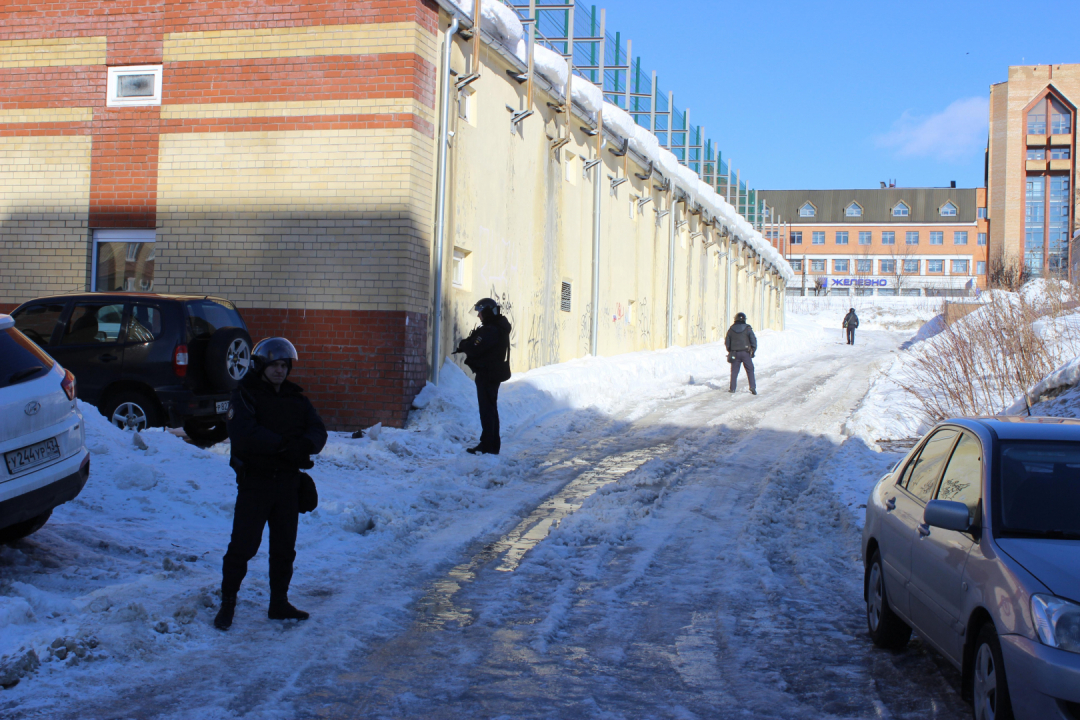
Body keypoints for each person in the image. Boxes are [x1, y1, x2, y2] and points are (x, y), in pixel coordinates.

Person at [214, 337, 327, 631]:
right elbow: (244, 434)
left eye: (284, 365)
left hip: (288, 484)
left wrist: (305, 444)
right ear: (261, 366)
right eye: (274, 365)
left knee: (284, 548)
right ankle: (227, 605)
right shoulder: (245, 396)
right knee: (242, 546)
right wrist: (283, 446)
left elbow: (318, 430)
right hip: (256, 483)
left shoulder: (297, 400)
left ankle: (279, 603)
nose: (280, 371)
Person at [454, 298, 512, 455]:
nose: (478, 315)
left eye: (480, 312)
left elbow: (474, 348)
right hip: (492, 372)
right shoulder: (497, 327)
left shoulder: (491, 330)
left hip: (488, 373)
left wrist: (464, 345)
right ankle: (492, 444)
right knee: (491, 409)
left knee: (487, 410)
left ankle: (487, 445)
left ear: (487, 312)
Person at [726, 311, 757, 395]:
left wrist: (730, 351)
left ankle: (732, 388)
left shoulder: (731, 329)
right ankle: (752, 387)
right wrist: (753, 350)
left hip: (735, 353)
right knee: (750, 370)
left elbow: (727, 341)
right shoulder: (748, 328)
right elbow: (753, 339)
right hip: (746, 353)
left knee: (734, 371)